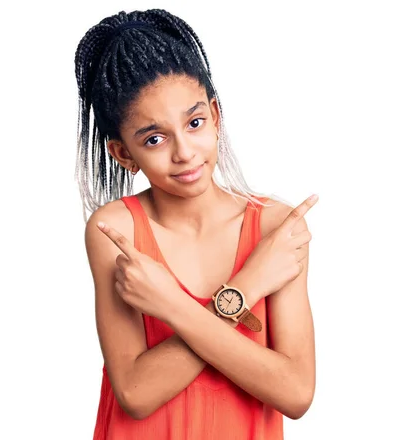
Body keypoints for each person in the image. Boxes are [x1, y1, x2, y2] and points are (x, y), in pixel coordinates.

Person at [74, 8, 318, 439]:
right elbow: (136, 391)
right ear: (123, 154)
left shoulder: (275, 228)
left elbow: (296, 392)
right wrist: (247, 286)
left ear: (216, 115)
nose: (184, 152)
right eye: (154, 138)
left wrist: (172, 306)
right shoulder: (116, 232)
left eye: (195, 123)